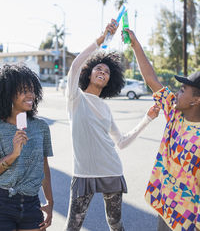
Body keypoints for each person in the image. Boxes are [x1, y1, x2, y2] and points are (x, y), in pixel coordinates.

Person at [64, 19, 160, 231]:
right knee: (73, 227)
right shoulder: (75, 98)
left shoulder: (106, 108)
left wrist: (148, 118)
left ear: (109, 81)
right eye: (98, 68)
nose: (102, 72)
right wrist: (102, 38)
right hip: (84, 174)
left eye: (107, 72)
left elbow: (122, 142)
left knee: (115, 224)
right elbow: (75, 65)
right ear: (88, 73)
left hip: (111, 170)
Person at [125, 28, 200, 231]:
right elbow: (151, 80)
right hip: (167, 210)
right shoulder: (175, 114)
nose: (177, 92)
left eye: (183, 90)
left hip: (190, 221)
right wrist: (135, 44)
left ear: (196, 100)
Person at [0, 64, 54, 231]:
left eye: (32, 90)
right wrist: (13, 154)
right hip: (3, 203)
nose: (30, 94)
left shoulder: (41, 127)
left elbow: (44, 166)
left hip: (32, 203)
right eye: (24, 90)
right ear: (8, 94)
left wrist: (50, 203)